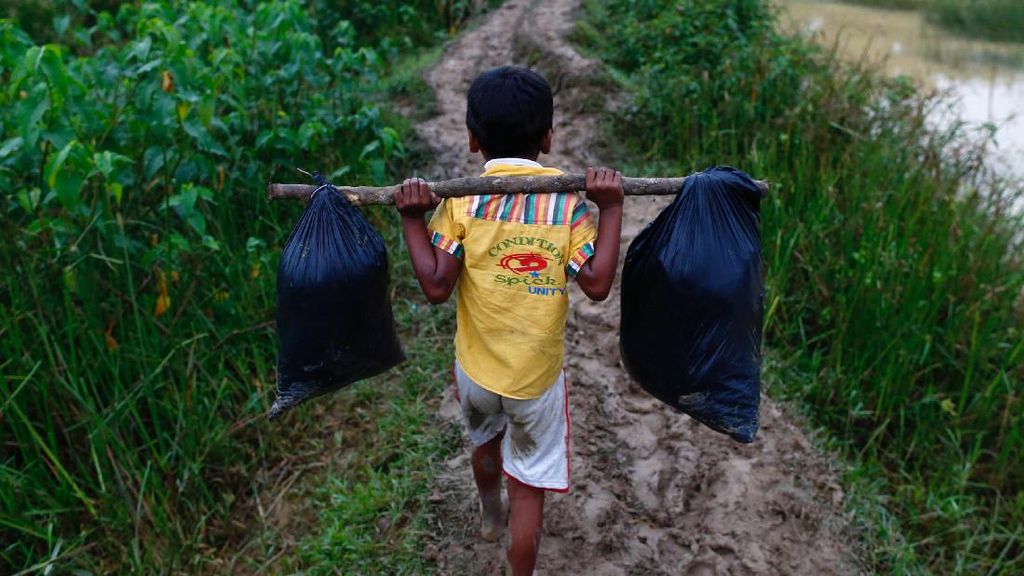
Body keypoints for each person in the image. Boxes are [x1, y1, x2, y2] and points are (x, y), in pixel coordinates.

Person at [394, 65, 623, 576]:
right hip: (534, 381)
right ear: (547, 136)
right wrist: (609, 209)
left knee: (484, 443)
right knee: (529, 488)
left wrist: (411, 218)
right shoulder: (565, 205)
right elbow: (598, 284)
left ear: (473, 139)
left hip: (475, 372)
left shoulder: (463, 201)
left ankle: (488, 513)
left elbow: (435, 286)